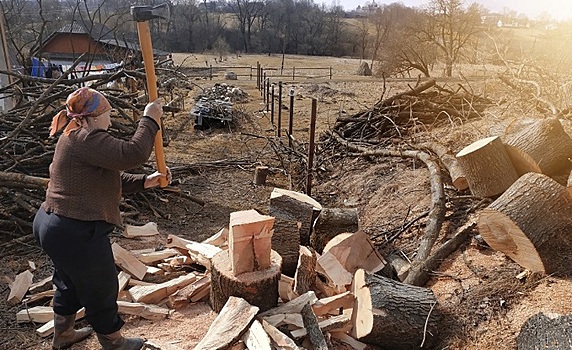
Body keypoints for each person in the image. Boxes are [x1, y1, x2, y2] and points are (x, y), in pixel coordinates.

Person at [33, 87, 170, 350]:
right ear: (92, 117)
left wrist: (146, 181)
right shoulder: (86, 138)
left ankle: (63, 334)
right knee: (102, 286)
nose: (110, 118)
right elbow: (132, 154)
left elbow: (105, 177)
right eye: (107, 113)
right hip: (73, 230)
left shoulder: (74, 135)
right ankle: (114, 342)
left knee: (68, 280)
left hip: (53, 225)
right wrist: (150, 118)